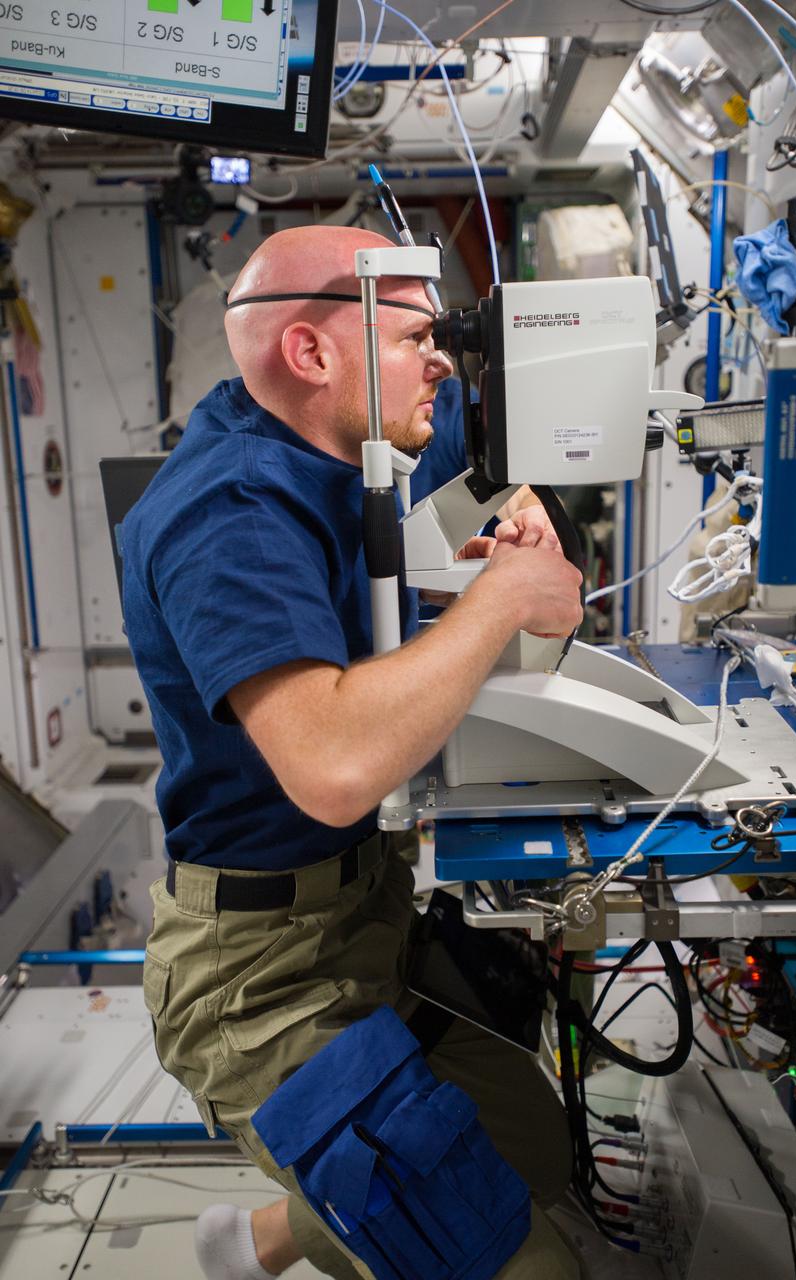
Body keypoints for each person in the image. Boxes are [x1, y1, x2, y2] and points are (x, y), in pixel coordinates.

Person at [122, 224, 584, 1280]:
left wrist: (498, 547)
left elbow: (473, 509)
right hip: (257, 977)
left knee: (531, 1149)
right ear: (312, 351)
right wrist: (504, 599)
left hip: (361, 920)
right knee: (526, 1263)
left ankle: (261, 1238)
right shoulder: (227, 509)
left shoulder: (341, 442)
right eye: (417, 334)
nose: (441, 358)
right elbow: (332, 766)